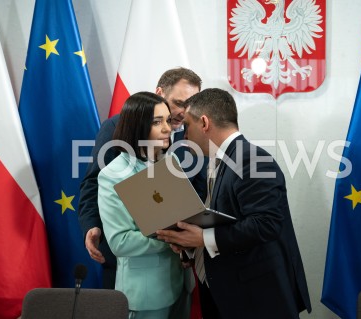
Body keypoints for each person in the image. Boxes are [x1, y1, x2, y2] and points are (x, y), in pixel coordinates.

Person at [156, 88, 312, 319]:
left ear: (205, 123)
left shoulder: (253, 159)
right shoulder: (219, 161)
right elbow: (221, 221)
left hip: (256, 299)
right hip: (225, 292)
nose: (184, 135)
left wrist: (203, 238)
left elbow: (266, 224)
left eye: (187, 126)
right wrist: (190, 245)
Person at [78, 67, 206, 289]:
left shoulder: (193, 136)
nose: (184, 113)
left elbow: (199, 191)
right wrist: (92, 225)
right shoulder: (116, 128)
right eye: (179, 102)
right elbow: (94, 182)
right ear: (159, 92)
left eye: (190, 105)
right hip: (130, 265)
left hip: (177, 265)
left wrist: (191, 244)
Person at [98, 91, 184, 318]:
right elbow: (120, 242)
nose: (167, 128)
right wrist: (173, 241)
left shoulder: (170, 161)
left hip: (181, 284)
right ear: (137, 126)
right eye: (157, 122)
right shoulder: (113, 174)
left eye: (167, 120)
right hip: (146, 294)